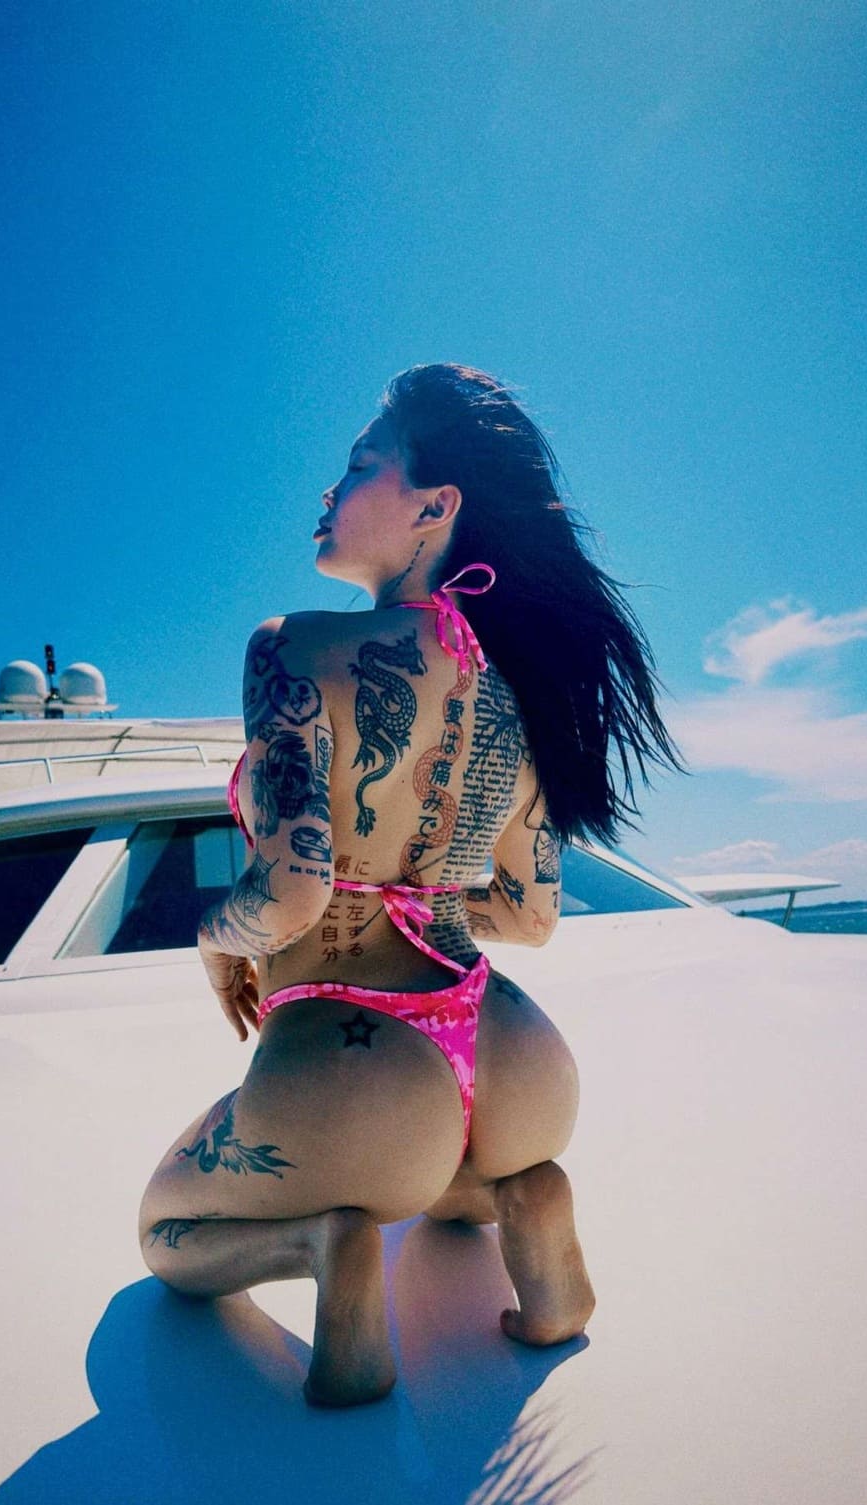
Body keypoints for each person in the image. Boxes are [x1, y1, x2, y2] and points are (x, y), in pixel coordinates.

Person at [138, 363, 683, 1406]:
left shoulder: (295, 649)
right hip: (516, 1055)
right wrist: (419, 896)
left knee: (167, 1229)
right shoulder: (522, 692)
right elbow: (529, 914)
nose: (329, 489)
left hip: (358, 1067)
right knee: (445, 1179)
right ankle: (527, 1198)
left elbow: (291, 894)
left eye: (357, 465)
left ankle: (327, 1244)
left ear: (435, 507)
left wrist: (215, 937)